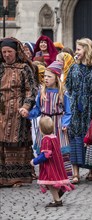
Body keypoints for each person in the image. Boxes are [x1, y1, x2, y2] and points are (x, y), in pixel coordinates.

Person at [0, 37, 38, 187]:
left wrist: (26, 107)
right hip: (1, 109)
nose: (7, 55)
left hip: (17, 111)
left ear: (16, 52)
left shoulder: (24, 68)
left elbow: (31, 91)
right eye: (4, 52)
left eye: (9, 52)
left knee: (16, 142)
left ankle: (17, 177)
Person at [27, 60, 72, 179]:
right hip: (44, 123)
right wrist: (29, 114)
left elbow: (68, 111)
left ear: (56, 78)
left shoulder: (63, 93)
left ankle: (66, 175)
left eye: (49, 76)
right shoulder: (41, 92)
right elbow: (37, 108)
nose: (46, 78)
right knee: (44, 150)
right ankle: (46, 175)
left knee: (62, 150)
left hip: (57, 124)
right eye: (45, 76)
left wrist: (65, 123)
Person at [66, 38, 92, 184]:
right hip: (76, 106)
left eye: (79, 49)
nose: (76, 52)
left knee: (90, 134)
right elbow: (68, 85)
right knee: (74, 135)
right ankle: (75, 172)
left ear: (87, 49)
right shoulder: (74, 67)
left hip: (90, 106)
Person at [30, 116, 75, 207]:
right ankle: (59, 193)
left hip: (50, 167)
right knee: (52, 183)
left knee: (51, 184)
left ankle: (57, 200)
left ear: (41, 129)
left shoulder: (46, 140)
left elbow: (45, 155)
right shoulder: (54, 137)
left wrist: (34, 161)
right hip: (56, 164)